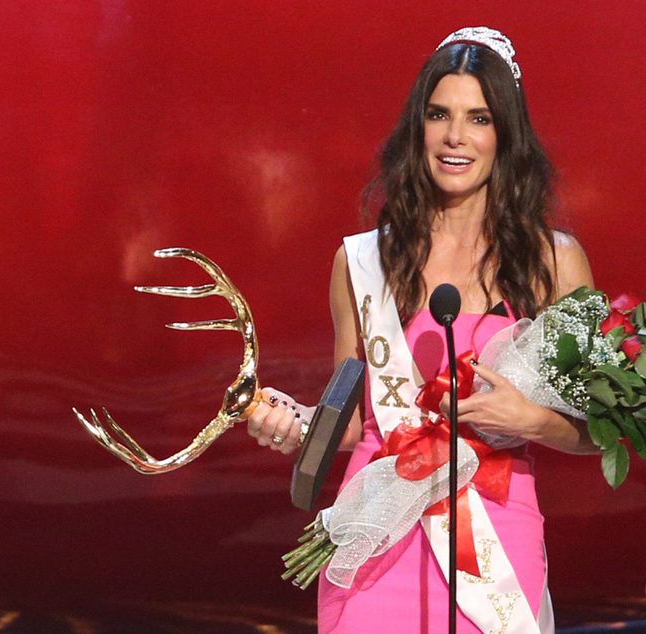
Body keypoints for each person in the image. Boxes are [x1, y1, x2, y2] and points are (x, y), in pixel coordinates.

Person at [247, 26, 599, 633]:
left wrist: (529, 420)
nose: (455, 137)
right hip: (376, 526)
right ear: (419, 128)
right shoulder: (360, 261)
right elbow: (354, 421)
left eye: (479, 118)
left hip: (493, 531)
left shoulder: (555, 262)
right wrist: (294, 423)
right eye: (439, 115)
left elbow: (599, 433)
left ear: (505, 135)